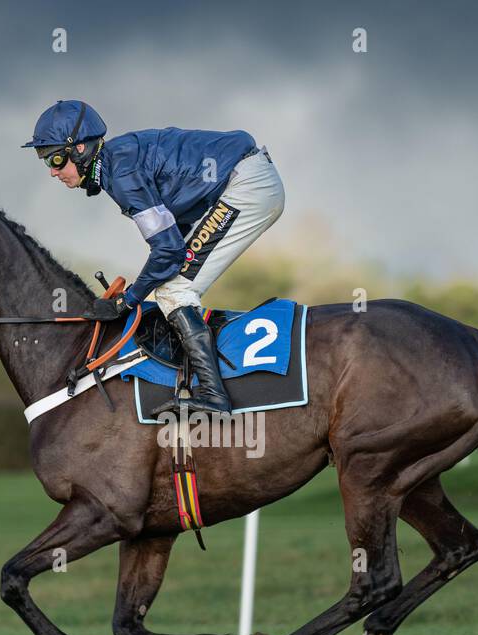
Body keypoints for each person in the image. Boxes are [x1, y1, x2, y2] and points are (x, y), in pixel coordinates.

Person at [23, 100, 285, 414]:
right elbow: (175, 234)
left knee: (174, 289)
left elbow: (169, 251)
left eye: (55, 158)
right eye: (46, 162)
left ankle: (216, 397)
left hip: (248, 187)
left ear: (79, 149)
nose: (52, 171)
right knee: (171, 284)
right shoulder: (116, 163)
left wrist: (127, 301)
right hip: (248, 180)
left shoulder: (121, 174)